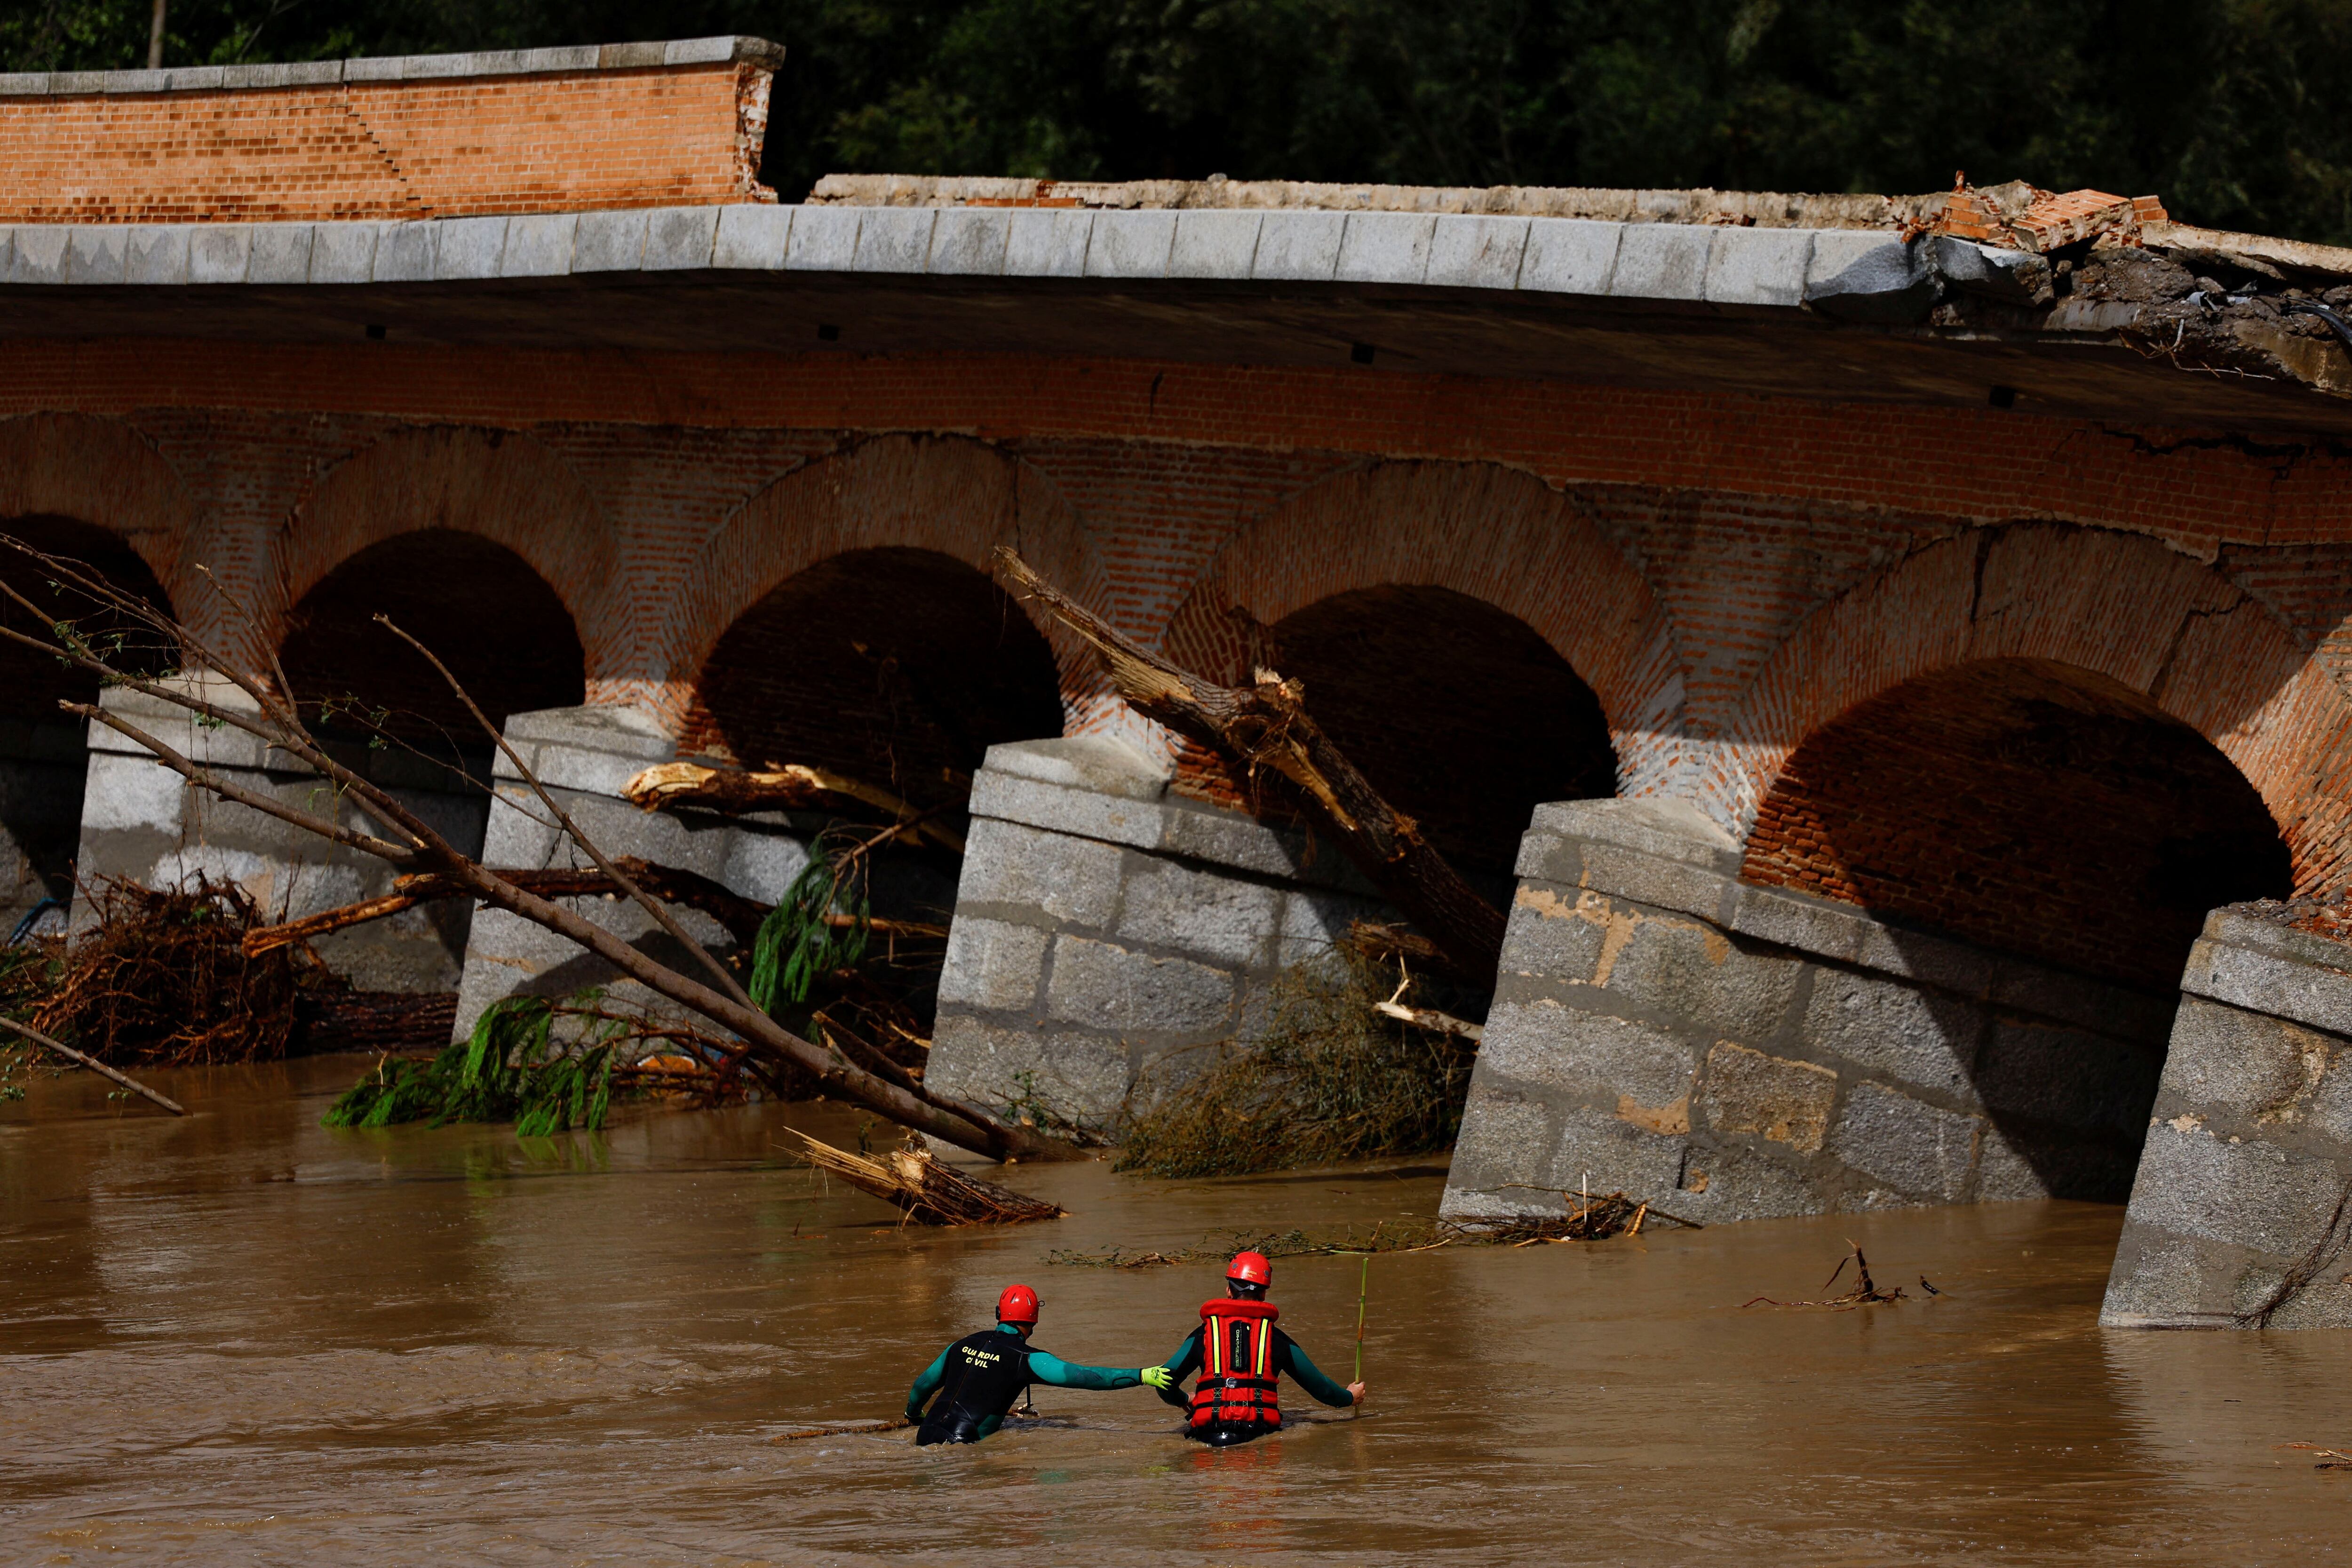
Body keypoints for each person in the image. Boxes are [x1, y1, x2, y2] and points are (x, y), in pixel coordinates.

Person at [906, 1284, 1175, 1445]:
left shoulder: (960, 1345)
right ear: (1034, 1320)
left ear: (998, 1314)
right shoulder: (1027, 1358)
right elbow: (1084, 1377)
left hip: (925, 1434)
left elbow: (923, 1384)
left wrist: (913, 1416)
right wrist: (1142, 1375)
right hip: (963, 1444)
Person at [1151, 1250, 1365, 1445]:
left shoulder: (1203, 1334)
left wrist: (1184, 1399)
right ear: (1263, 1295)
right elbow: (1322, 1389)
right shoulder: (1277, 1339)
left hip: (1207, 1435)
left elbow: (1163, 1381)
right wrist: (1349, 1397)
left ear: (1229, 1291)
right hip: (1258, 1435)